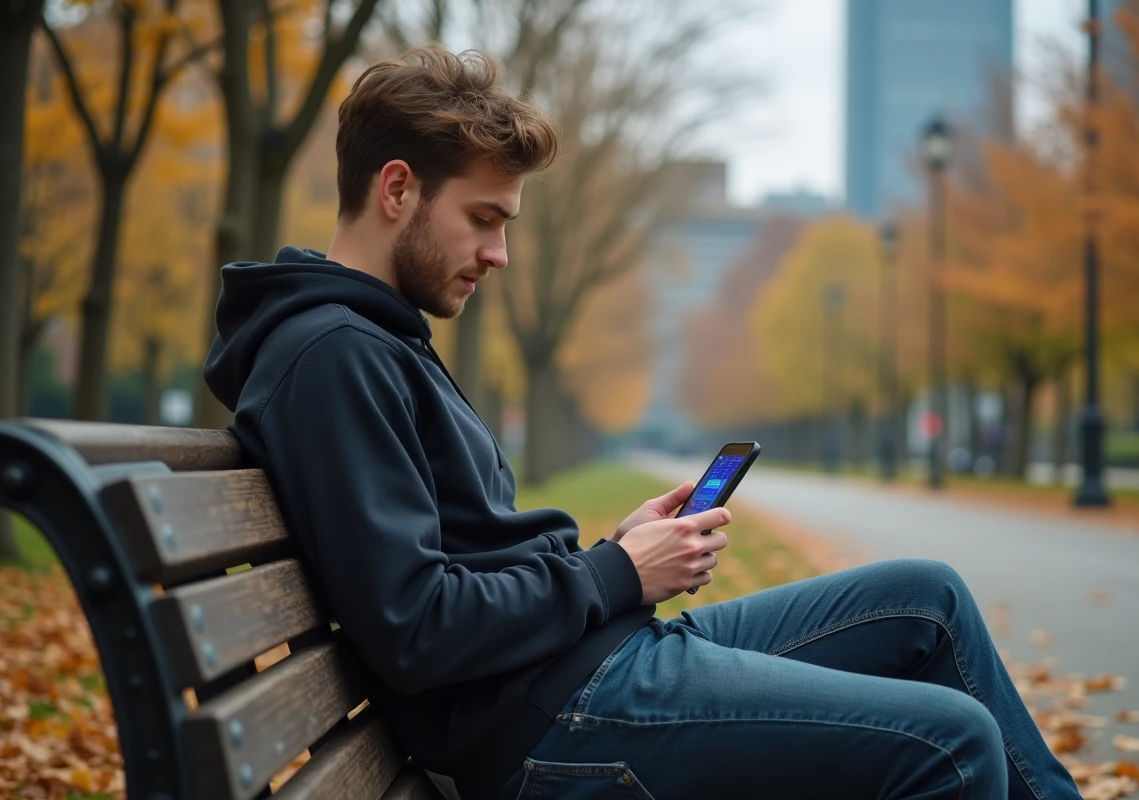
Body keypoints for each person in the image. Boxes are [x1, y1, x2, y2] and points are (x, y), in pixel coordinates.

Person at [203, 44, 1083, 800]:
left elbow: (456, 563)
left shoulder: (373, 337)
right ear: (397, 188)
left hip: (580, 662)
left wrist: (613, 553)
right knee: (950, 742)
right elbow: (417, 627)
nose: (498, 255)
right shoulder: (336, 358)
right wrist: (614, 574)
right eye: (484, 220)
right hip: (551, 719)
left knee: (926, 600)